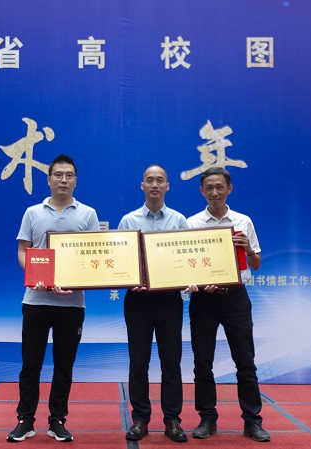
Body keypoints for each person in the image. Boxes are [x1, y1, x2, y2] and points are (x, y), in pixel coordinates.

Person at [7, 154, 100, 443]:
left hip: (72, 304)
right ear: (48, 179)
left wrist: (76, 280)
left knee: (64, 365)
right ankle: (25, 420)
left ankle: (57, 420)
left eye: (69, 175)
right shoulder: (33, 212)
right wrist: (36, 276)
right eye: (58, 175)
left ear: (76, 180)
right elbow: (23, 250)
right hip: (36, 301)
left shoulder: (88, 214)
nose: (63, 180)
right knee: (30, 365)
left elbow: (94, 255)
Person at [186, 167, 271, 443]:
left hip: (236, 298)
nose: (215, 192)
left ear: (229, 189)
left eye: (219, 187)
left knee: (245, 361)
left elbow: (256, 264)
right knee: (202, 362)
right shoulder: (192, 223)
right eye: (209, 187)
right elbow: (188, 265)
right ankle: (207, 418)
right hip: (204, 300)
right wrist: (200, 283)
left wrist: (248, 248)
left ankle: (252, 420)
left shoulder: (243, 221)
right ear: (201, 191)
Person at [118, 164, 189, 443]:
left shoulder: (179, 220)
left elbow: (187, 259)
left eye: (160, 180)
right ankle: (140, 419)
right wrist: (128, 280)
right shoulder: (128, 221)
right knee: (139, 362)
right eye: (150, 180)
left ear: (168, 186)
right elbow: (121, 262)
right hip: (138, 299)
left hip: (169, 299)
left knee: (171, 362)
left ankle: (172, 419)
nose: (155, 184)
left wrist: (189, 278)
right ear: (142, 185)